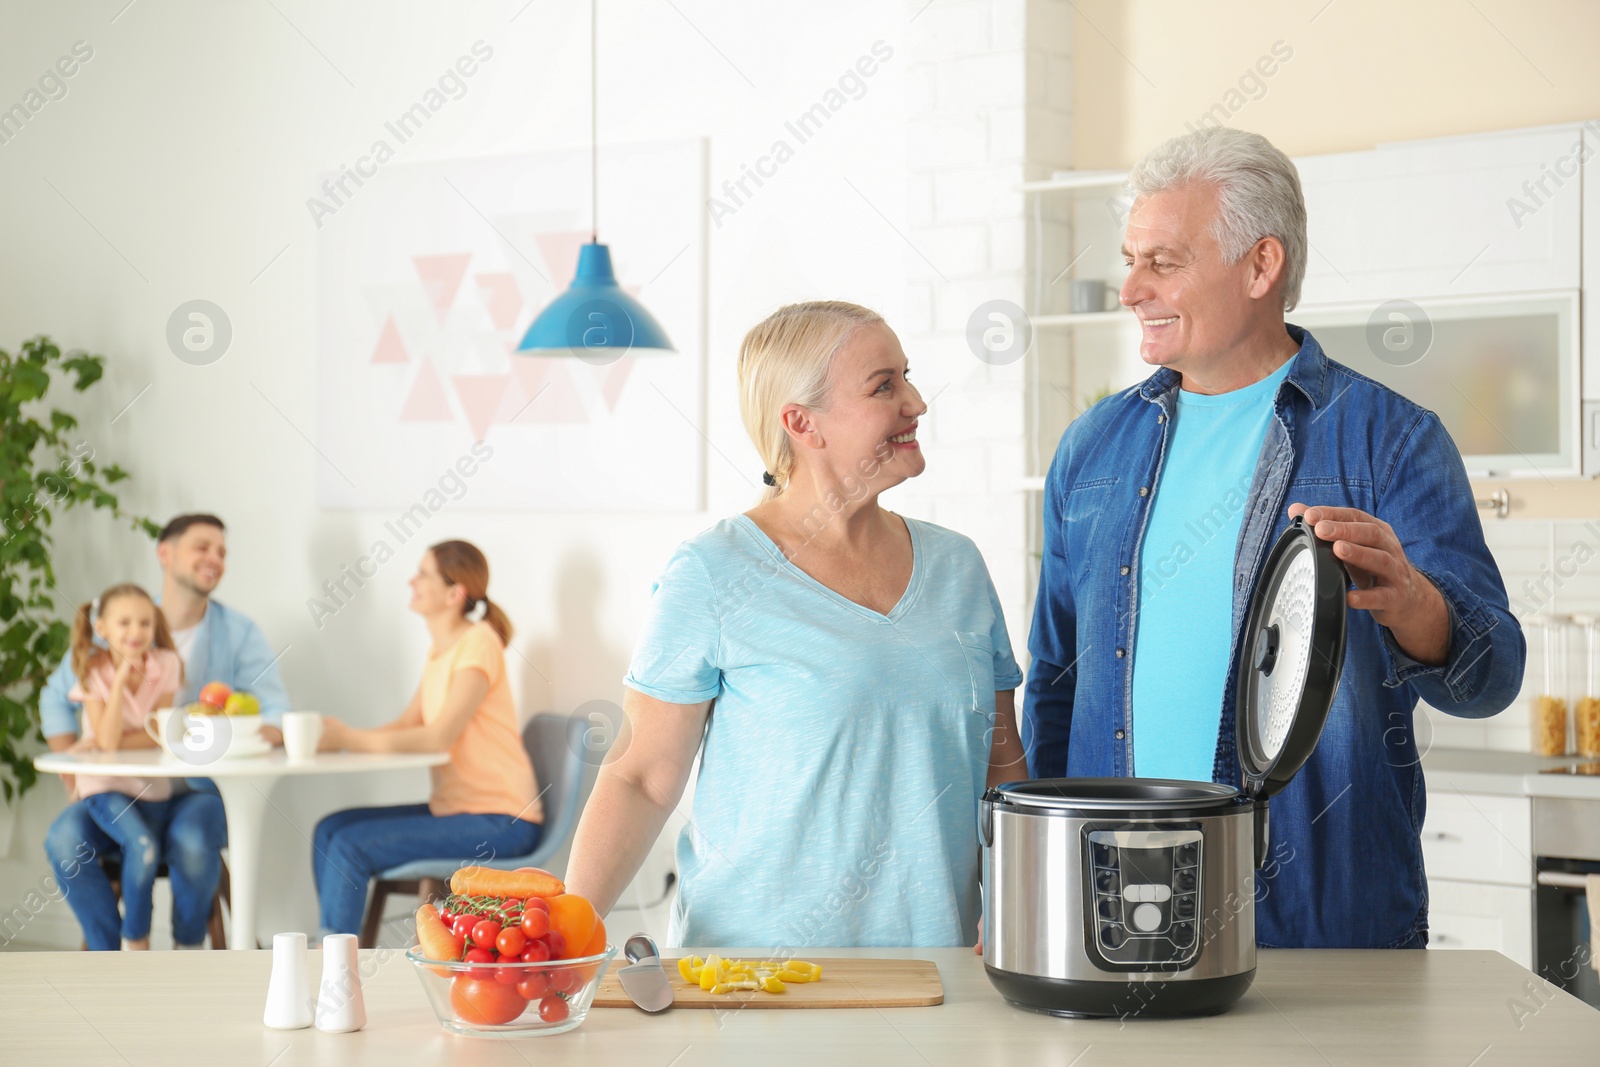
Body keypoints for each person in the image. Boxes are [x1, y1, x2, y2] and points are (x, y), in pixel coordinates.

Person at [1024, 127, 1526, 949]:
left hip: (1318, 922)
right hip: (1117, 911)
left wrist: (1415, 605)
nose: (1129, 289)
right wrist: (1032, 880)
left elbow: (1493, 674)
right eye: (1129, 258)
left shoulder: (1388, 440)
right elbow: (1054, 682)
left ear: (1262, 267)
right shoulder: (1093, 450)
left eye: (1164, 262)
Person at [564, 301, 1027, 948]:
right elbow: (641, 776)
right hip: (755, 978)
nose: (916, 402)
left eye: (908, 377)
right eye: (883, 385)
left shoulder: (958, 566)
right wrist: (562, 935)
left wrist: (1020, 902)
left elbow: (1002, 764)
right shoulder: (714, 571)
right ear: (802, 423)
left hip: (941, 967)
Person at [41, 513, 292, 949]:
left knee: (193, 840)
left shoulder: (238, 633)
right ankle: (107, 955)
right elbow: (56, 697)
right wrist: (74, 769)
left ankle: (186, 950)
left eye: (222, 552)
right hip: (115, 792)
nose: (215, 558)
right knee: (64, 839)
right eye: (202, 547)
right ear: (165, 553)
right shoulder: (119, 620)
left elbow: (274, 713)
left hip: (193, 792)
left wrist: (234, 736)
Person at [311, 540, 542, 937]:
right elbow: (406, 724)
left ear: (454, 593)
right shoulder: (442, 649)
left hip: (502, 820)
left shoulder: (478, 643)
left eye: (422, 574)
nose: (410, 580)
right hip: (457, 810)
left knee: (349, 845)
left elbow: (438, 737)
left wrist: (346, 738)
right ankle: (332, 952)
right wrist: (339, 737)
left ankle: (334, 965)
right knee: (329, 830)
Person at [49, 584, 183, 950]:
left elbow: (161, 734)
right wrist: (122, 676)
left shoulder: (167, 664)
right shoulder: (92, 668)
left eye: (144, 623)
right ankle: (134, 941)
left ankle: (132, 940)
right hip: (102, 784)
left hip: (150, 786)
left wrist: (115, 739)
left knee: (146, 844)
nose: (136, 632)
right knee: (143, 846)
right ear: (103, 628)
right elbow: (108, 742)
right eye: (124, 623)